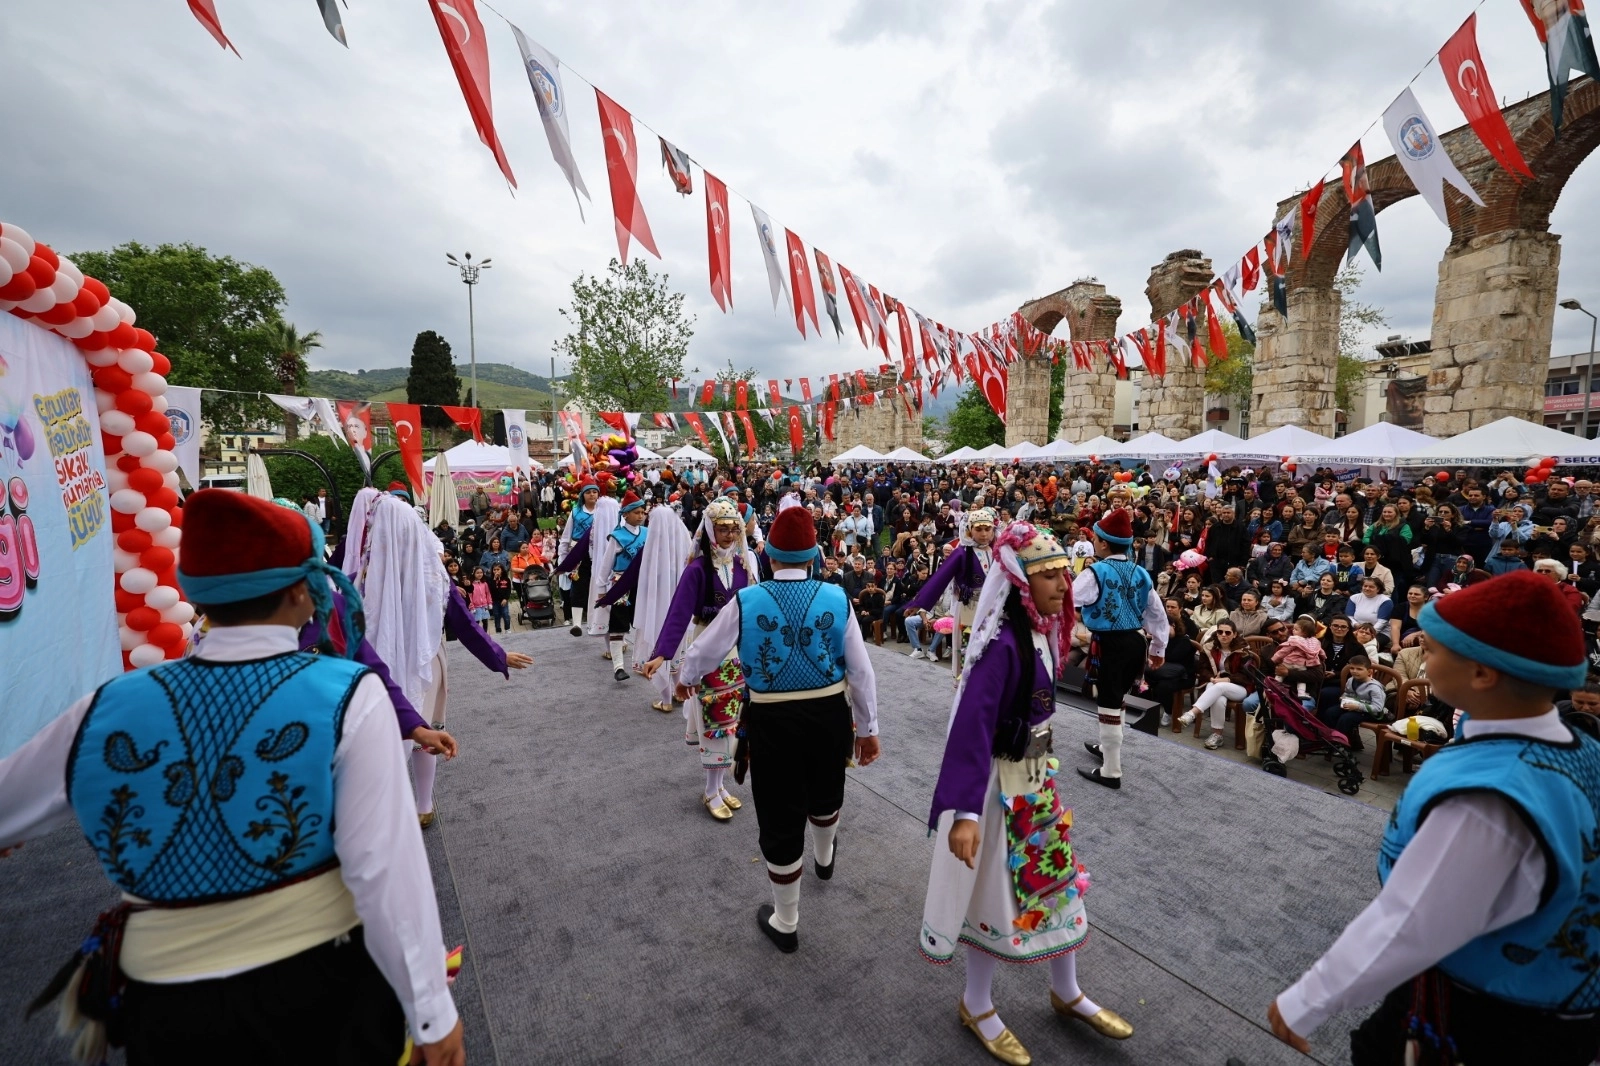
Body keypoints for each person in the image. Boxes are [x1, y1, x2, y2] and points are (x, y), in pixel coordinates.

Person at [0, 490, 465, 1065]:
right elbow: (384, 870)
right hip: (319, 989)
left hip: (163, 1012)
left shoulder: (103, 709)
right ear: (301, 591)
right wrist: (431, 1013)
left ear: (196, 592)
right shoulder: (347, 695)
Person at [1272, 570, 1600, 1064]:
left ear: (1482, 673)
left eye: (1433, 648)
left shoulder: (1487, 797)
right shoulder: (1583, 750)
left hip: (1491, 1007)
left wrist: (1308, 999)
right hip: (1562, 993)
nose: (1424, 658)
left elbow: (1414, 921)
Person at [920, 522, 1130, 1065]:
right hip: (997, 787)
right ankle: (977, 1002)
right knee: (993, 893)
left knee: (1055, 880)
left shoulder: (1041, 631)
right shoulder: (1003, 645)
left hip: (1035, 779)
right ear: (1021, 582)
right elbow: (972, 727)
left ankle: (1067, 990)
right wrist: (966, 812)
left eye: (1065, 573)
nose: (1064, 584)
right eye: (1051, 575)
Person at [676, 506, 880, 953]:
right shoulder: (837, 598)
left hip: (772, 719)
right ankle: (824, 856)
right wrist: (868, 729)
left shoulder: (747, 600)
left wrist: (685, 679)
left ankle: (786, 922)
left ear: (768, 556)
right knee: (827, 789)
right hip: (828, 715)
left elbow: (705, 651)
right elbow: (861, 672)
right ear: (813, 557)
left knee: (779, 812)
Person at [340, 488, 530, 829]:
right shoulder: (431, 576)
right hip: (423, 662)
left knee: (395, 735)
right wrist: (498, 655)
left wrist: (499, 656)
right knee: (421, 733)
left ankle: (403, 807)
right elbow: (464, 623)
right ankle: (421, 805)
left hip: (376, 666)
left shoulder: (356, 576)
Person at [639, 498, 752, 817]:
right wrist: (662, 653)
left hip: (737, 652)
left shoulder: (743, 565)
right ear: (710, 530)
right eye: (723, 529)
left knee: (732, 720)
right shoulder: (698, 568)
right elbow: (679, 612)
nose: (729, 535)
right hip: (707, 647)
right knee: (714, 719)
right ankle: (710, 789)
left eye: (734, 529)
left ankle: (720, 785)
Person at [1075, 508, 1170, 789]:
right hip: (1136, 641)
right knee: (1118, 698)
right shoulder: (1140, 572)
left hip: (1110, 643)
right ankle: (1108, 750)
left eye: (1095, 538)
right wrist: (1159, 649)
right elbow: (1157, 613)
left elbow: (1066, 600)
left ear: (1103, 543)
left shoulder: (1095, 572)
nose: (1094, 542)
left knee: (1108, 701)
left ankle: (1111, 771)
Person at [905, 507, 999, 677]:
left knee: (990, 651)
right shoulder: (962, 553)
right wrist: (919, 603)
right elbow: (940, 579)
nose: (984, 534)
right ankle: (965, 682)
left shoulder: (996, 551)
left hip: (993, 609)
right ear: (969, 530)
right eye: (979, 529)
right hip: (969, 608)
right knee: (968, 651)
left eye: (988, 529)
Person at [596, 492, 649, 682]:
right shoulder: (617, 537)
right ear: (625, 514)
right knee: (618, 625)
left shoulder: (647, 533)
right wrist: (602, 591)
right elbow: (606, 565)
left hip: (642, 584)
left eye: (643, 512)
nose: (641, 516)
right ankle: (618, 666)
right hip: (621, 586)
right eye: (636, 512)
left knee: (643, 623)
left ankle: (642, 661)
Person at [555, 478, 602, 635]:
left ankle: (596, 621)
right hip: (579, 554)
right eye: (588, 492)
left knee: (597, 585)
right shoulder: (575, 512)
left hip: (598, 553)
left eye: (594, 492)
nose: (592, 495)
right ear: (583, 495)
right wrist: (563, 559)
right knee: (578, 586)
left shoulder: (603, 512)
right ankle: (576, 624)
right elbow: (566, 537)